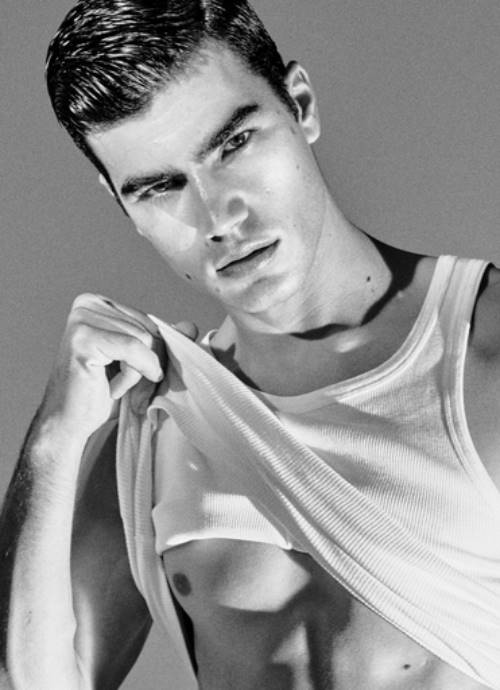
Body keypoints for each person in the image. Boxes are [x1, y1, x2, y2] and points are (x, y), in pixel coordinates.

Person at [1, 0, 500, 688]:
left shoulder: (484, 345)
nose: (219, 215)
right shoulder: (156, 422)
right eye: (159, 188)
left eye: (233, 145)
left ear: (301, 105)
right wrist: (53, 440)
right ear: (122, 205)